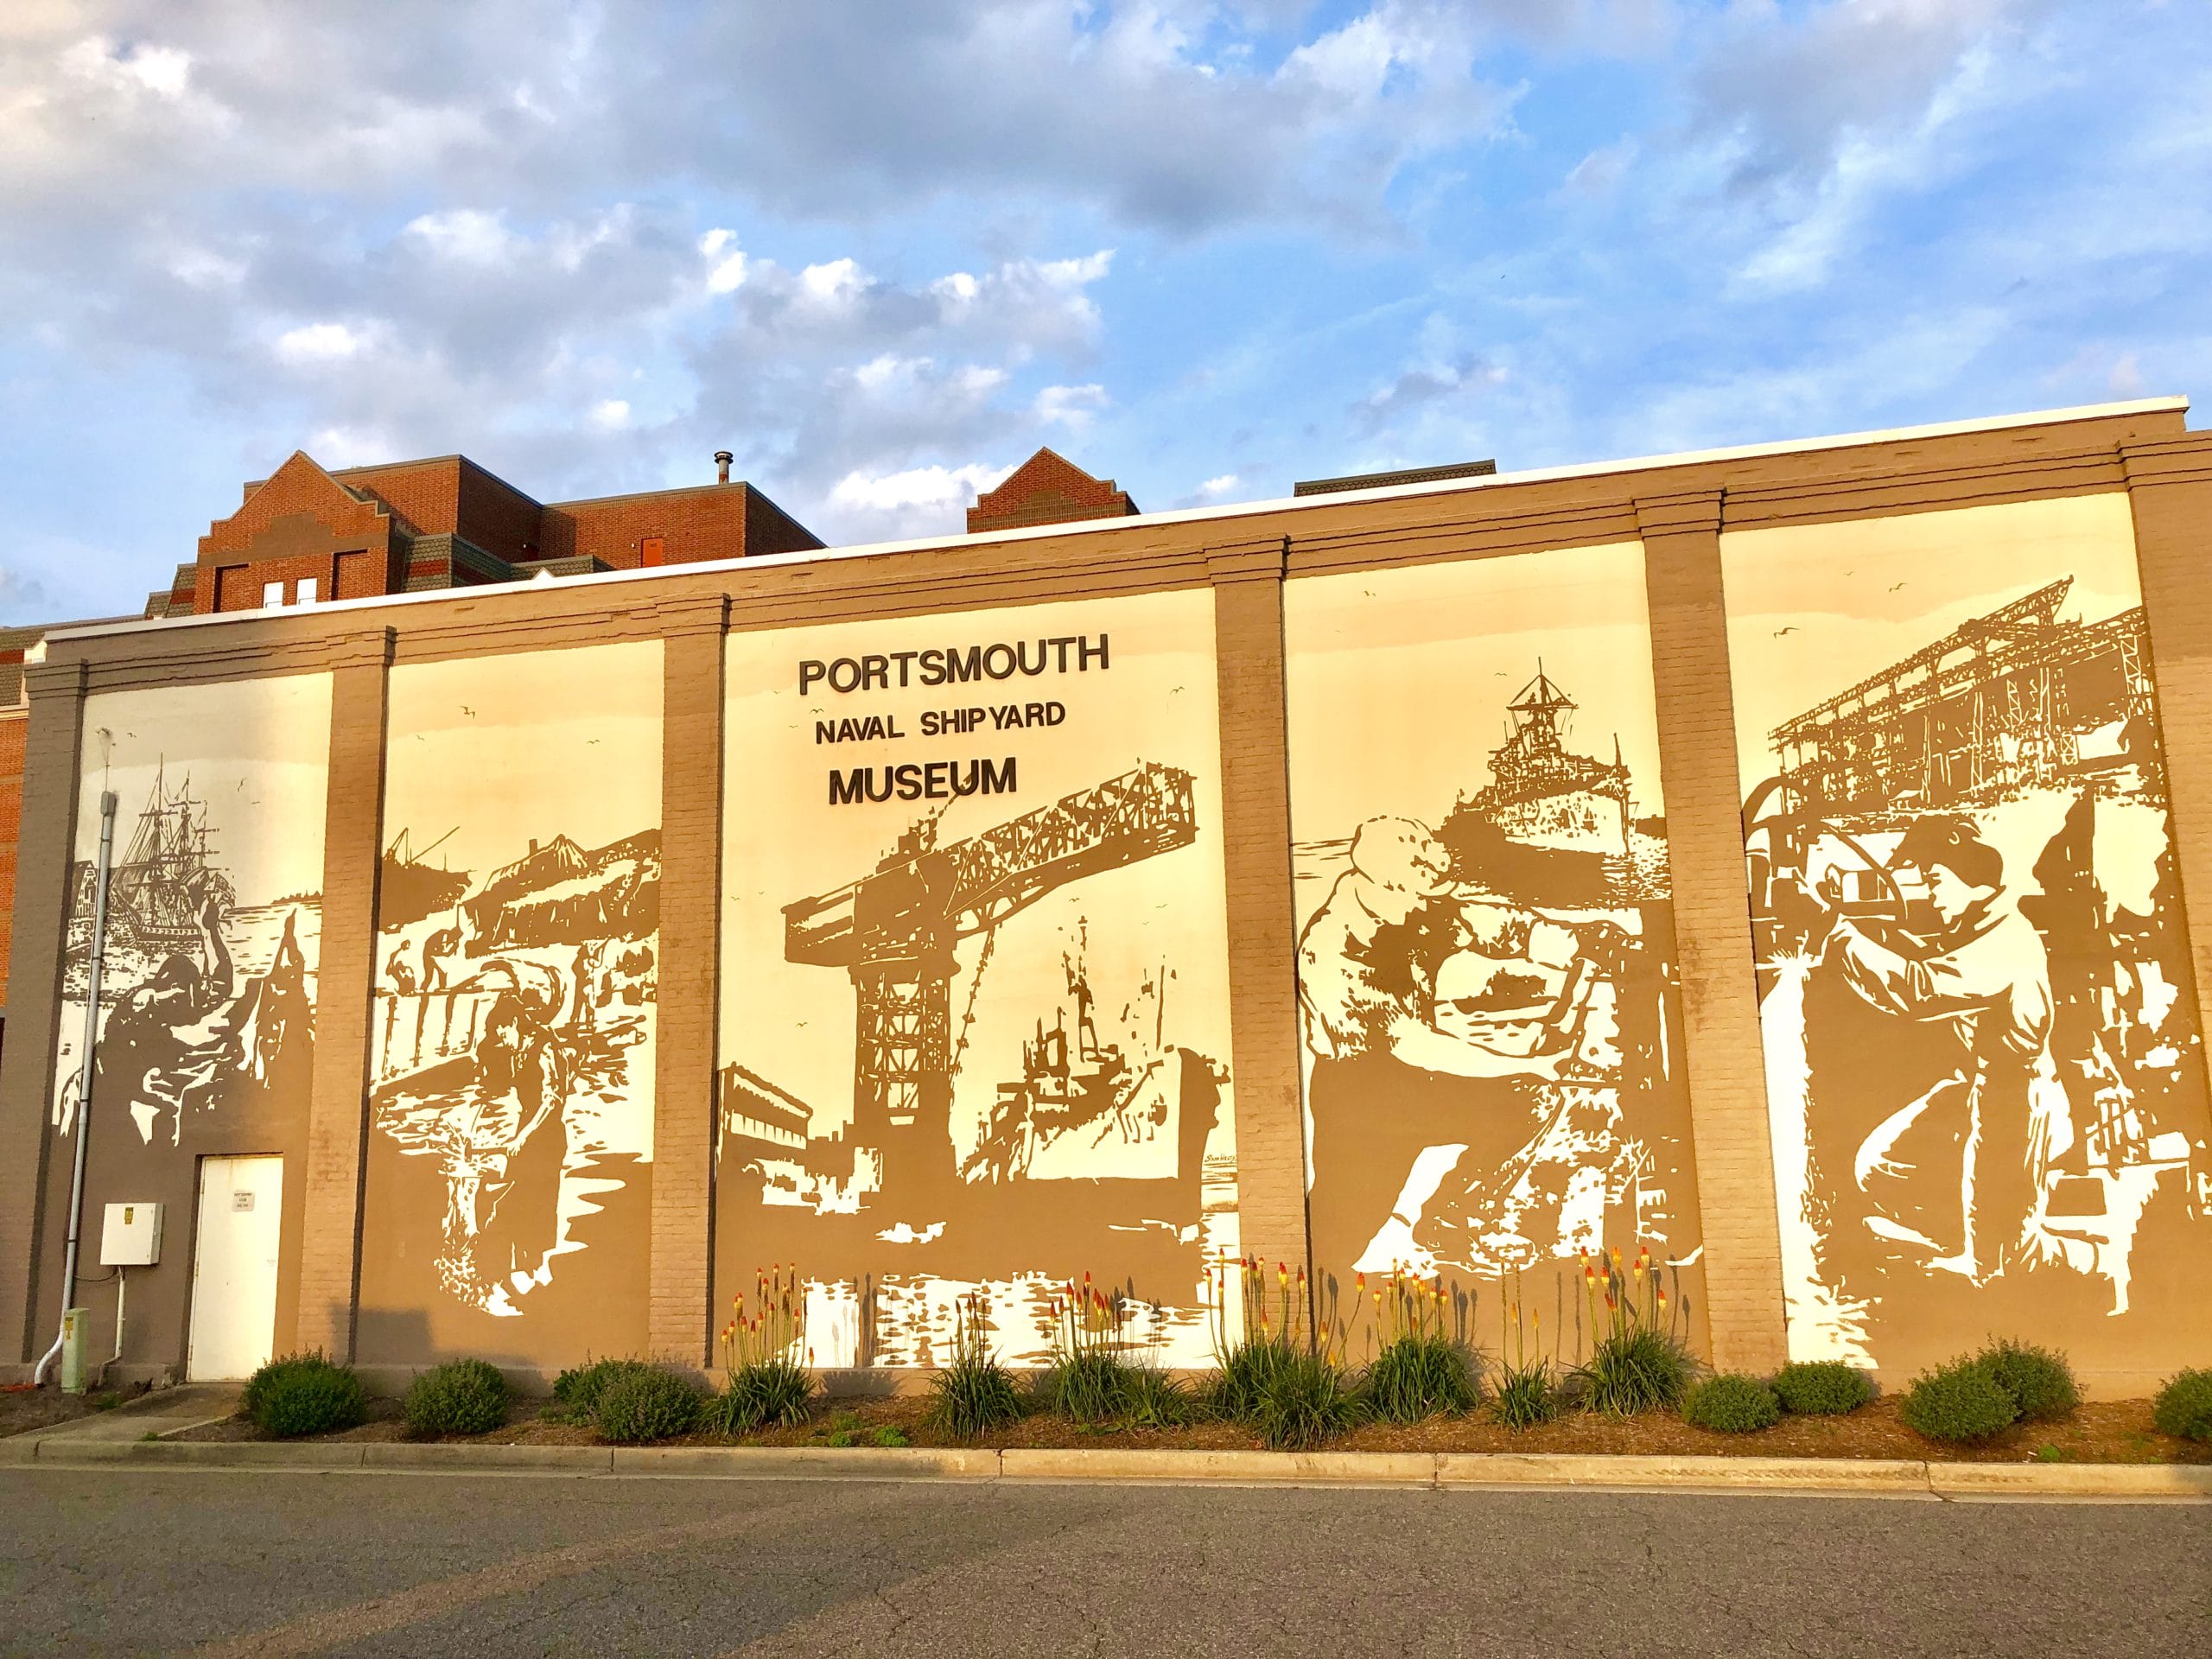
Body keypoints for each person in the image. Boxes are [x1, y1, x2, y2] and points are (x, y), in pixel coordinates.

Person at [1297, 817, 1569, 1280]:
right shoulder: (1332, 949)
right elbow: (1414, 1044)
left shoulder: (1412, 901)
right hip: (1361, 1098)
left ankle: (1448, 1220)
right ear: (1383, 884)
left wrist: (1557, 939)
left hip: (1419, 1081)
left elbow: (1478, 920)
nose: (1430, 905)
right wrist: (1534, 1060)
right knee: (1339, 1238)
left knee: (1531, 1098)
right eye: (1419, 896)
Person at [1820, 817, 2069, 1282]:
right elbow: (1931, 957)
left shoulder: (2004, 940)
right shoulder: (1981, 926)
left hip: (2017, 1096)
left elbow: (1919, 991)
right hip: (1980, 1086)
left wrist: (1846, 938)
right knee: (1879, 1167)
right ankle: (1972, 1246)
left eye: (1935, 881)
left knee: (2011, 1262)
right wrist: (1877, 933)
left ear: (1973, 881)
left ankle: (2092, 1259)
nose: (1930, 896)